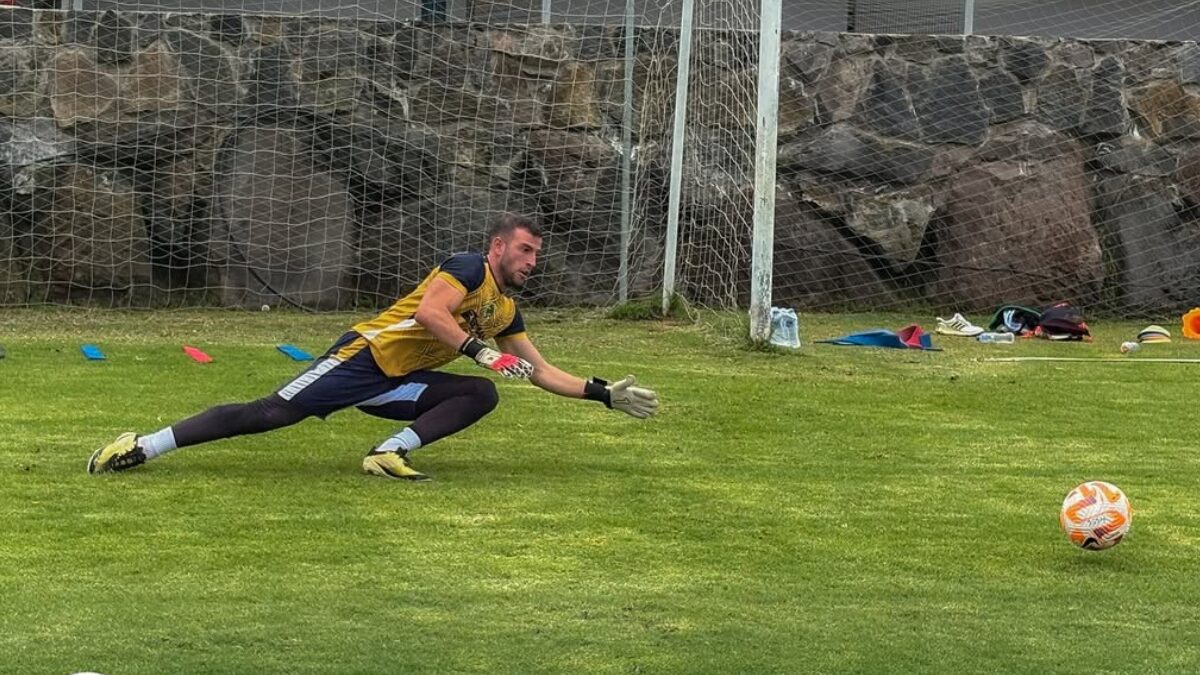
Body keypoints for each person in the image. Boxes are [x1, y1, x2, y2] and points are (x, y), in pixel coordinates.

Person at [88, 214, 659, 481]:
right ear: (497, 247)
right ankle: (143, 445)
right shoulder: (468, 267)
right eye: (525, 250)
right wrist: (479, 351)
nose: (532, 262)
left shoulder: (506, 311)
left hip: (398, 383)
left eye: (537, 255)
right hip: (363, 359)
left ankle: (388, 452)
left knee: (481, 395)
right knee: (269, 414)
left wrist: (601, 393)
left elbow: (538, 370)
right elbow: (432, 312)